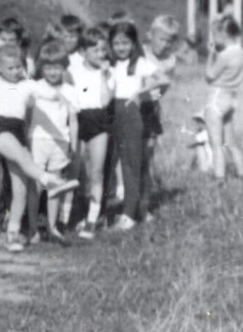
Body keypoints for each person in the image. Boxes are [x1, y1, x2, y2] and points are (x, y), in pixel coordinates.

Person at [0, 44, 79, 252]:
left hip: (17, 130)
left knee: (19, 187)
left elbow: (47, 93)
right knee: (21, 157)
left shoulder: (27, 84)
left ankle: (12, 234)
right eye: (10, 68)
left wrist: (61, 96)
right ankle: (49, 180)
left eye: (18, 67)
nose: (15, 71)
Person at [107, 21, 167, 229]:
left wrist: (141, 93)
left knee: (130, 164)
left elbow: (162, 79)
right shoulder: (110, 63)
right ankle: (115, 210)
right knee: (113, 161)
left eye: (125, 43)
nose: (121, 47)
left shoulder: (140, 62)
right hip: (111, 111)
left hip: (131, 112)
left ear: (133, 44)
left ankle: (129, 215)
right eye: (116, 43)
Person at [24, 42, 80, 244]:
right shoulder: (36, 87)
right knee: (36, 185)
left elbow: (73, 121)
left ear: (64, 66)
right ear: (41, 68)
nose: (53, 72)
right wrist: (26, 139)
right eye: (48, 67)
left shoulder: (71, 90)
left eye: (57, 67)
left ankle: (52, 227)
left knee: (55, 186)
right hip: (38, 141)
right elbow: (28, 115)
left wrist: (73, 145)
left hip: (60, 142)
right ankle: (32, 228)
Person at [69, 27, 114, 240]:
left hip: (98, 121)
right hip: (77, 120)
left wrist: (104, 75)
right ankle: (70, 215)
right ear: (83, 51)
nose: (101, 55)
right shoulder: (73, 72)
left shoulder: (107, 73)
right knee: (76, 171)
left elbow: (105, 101)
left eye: (104, 50)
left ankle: (92, 220)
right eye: (96, 50)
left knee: (96, 172)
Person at [141, 15, 181, 209]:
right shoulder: (139, 53)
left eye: (169, 41)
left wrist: (154, 95)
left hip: (151, 108)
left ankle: (145, 202)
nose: (165, 44)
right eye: (161, 39)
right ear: (150, 35)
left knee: (147, 154)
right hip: (131, 106)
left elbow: (164, 87)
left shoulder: (169, 61)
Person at [203, 15, 243, 182]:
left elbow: (210, 76)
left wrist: (210, 55)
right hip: (233, 100)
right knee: (231, 143)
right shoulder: (240, 52)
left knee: (216, 144)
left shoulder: (224, 55)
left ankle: (220, 179)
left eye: (214, 35)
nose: (213, 39)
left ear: (223, 35)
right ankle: (241, 173)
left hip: (217, 100)